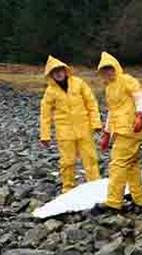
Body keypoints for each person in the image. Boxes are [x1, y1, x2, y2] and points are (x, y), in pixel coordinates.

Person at [39, 56, 102, 193]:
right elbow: (45, 114)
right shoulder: (50, 91)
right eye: (54, 71)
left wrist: (96, 123)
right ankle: (68, 188)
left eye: (60, 70)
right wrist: (45, 135)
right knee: (67, 162)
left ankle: (95, 184)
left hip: (84, 128)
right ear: (50, 74)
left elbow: (91, 103)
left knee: (90, 158)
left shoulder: (79, 83)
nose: (58, 73)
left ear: (65, 70)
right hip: (64, 132)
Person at [96, 51, 142, 212]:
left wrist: (140, 116)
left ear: (115, 67)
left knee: (117, 164)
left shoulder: (127, 80)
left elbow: (141, 98)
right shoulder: (109, 88)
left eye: (109, 68)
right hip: (121, 130)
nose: (107, 72)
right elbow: (112, 112)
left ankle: (113, 202)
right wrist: (106, 134)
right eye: (104, 70)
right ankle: (139, 199)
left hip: (131, 129)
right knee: (131, 164)